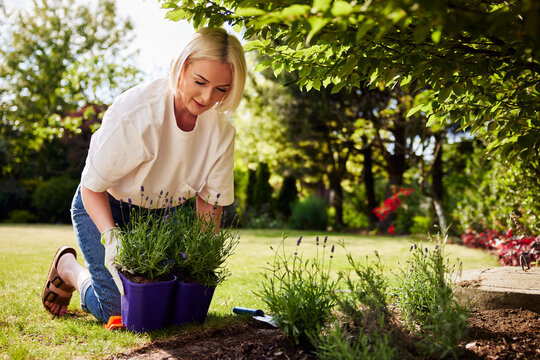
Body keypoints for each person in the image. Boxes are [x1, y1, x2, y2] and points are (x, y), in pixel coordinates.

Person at [41, 27, 247, 324]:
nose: (207, 97)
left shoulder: (221, 132)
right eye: (200, 82)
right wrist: (111, 238)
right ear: (182, 67)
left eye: (221, 89)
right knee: (119, 311)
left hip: (159, 218)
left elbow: (210, 202)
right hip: (103, 206)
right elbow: (91, 187)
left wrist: (201, 259)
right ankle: (68, 268)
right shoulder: (138, 114)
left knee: (160, 302)